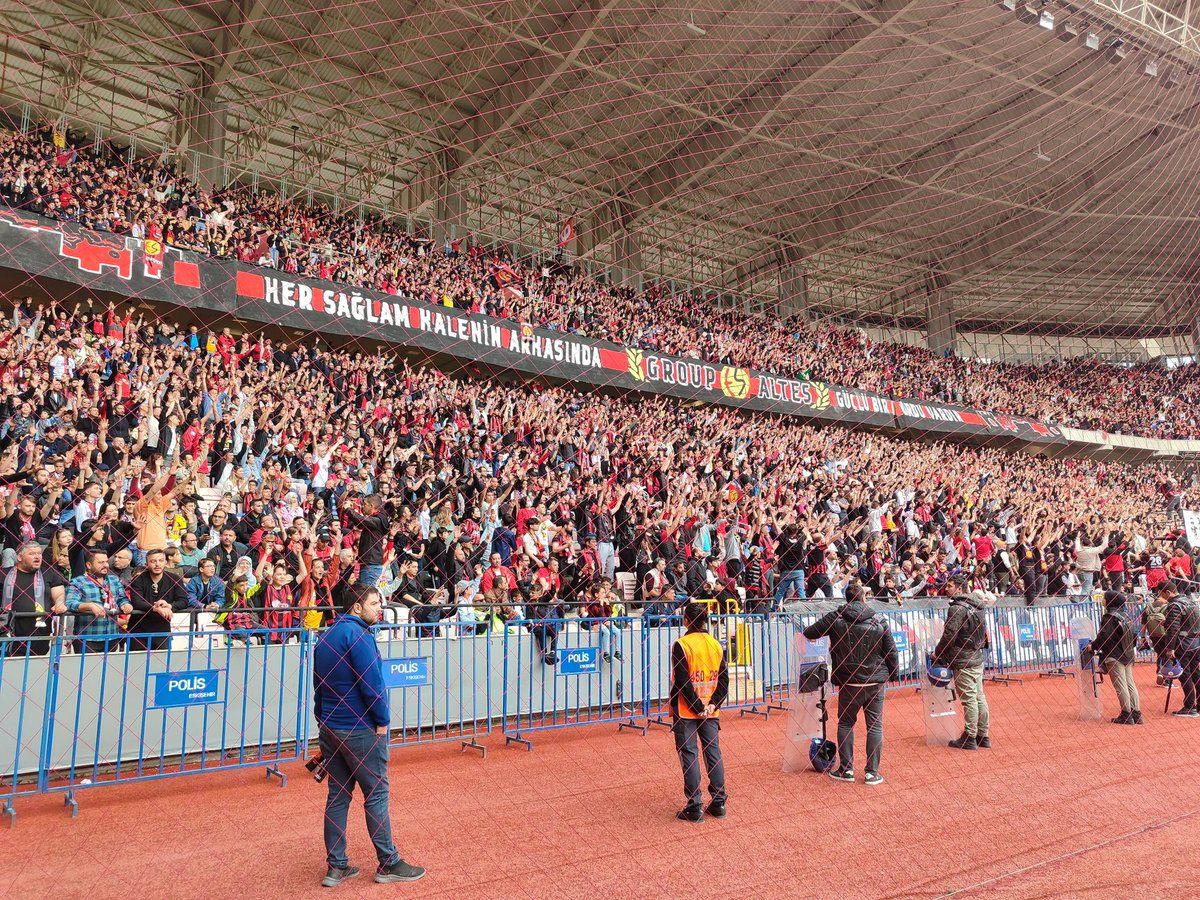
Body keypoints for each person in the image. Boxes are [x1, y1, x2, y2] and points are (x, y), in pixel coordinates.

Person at [312, 584, 425, 887]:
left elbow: (317, 688)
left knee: (338, 796)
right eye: (374, 603)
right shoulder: (360, 637)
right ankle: (388, 863)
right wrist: (383, 721)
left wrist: (323, 720)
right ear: (357, 607)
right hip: (360, 729)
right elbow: (372, 685)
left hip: (330, 728)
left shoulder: (325, 637)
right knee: (376, 795)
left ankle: (336, 867)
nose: (380, 608)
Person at [803, 582, 897, 784]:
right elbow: (892, 652)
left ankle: (846, 770)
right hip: (875, 680)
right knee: (875, 726)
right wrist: (892, 675)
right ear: (863, 598)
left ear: (846, 599)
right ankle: (872, 772)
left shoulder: (836, 617)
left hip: (849, 680)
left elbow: (810, 632)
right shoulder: (879, 621)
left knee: (846, 722)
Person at [669, 601, 728, 822]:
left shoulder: (682, 645)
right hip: (710, 709)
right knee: (713, 752)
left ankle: (694, 805)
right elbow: (724, 679)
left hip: (687, 710)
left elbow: (683, 682)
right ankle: (719, 801)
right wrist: (713, 704)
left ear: (686, 620)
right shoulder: (715, 644)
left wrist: (698, 707)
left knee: (690, 754)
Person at [932, 576, 992, 749]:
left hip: (962, 658)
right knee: (979, 697)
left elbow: (949, 634)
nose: (947, 589)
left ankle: (970, 736)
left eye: (950, 586)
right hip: (976, 656)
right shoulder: (979, 606)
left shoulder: (957, 608)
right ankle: (983, 735)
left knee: (969, 699)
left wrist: (938, 652)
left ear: (959, 588)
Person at [1, 541, 65, 656]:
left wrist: (59, 603)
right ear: (19, 557)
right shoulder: (3, 574)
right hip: (8, 636)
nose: (37, 557)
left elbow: (59, 593)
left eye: (39, 553)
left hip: (39, 636)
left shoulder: (49, 573)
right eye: (32, 554)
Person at [65, 549, 133, 652]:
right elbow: (70, 603)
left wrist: (125, 604)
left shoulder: (114, 580)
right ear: (88, 565)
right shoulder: (78, 581)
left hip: (112, 636)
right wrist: (90, 606)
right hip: (87, 638)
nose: (106, 565)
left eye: (106, 561)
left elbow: (121, 598)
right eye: (101, 562)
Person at [1090, 591, 1142, 724]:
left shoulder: (1109, 617)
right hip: (1128, 654)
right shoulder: (1126, 616)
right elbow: (1134, 636)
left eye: (1104, 598)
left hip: (1114, 655)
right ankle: (1136, 713)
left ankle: (1126, 714)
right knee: (1130, 684)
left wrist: (1093, 646)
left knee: (1120, 685)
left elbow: (1104, 636)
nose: (1102, 600)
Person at [1161, 579, 1200, 717]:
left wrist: (1169, 648)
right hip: (1195, 641)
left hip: (1182, 643)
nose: (1162, 598)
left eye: (1162, 594)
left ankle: (1190, 706)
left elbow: (1173, 629)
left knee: (1185, 674)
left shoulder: (1174, 606)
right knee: (1196, 673)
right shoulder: (1191, 601)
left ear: (1167, 592)